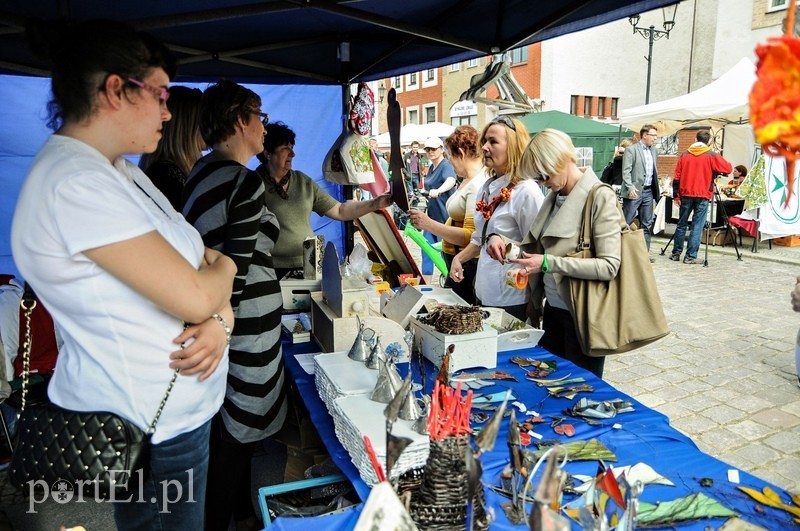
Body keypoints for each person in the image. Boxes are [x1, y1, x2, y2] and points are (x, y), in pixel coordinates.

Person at [10, 20, 236, 530]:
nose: (167, 109)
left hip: (176, 419)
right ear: (115, 90)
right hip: (145, 432)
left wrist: (220, 317)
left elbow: (203, 263)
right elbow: (203, 283)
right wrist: (222, 285)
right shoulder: (74, 182)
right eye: (159, 93)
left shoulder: (121, 171)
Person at [179, 80, 283, 531]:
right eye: (259, 116)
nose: (264, 126)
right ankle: (221, 521)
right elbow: (233, 269)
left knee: (228, 429)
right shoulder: (243, 180)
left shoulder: (198, 174)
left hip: (218, 320)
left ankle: (240, 513)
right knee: (240, 435)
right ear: (240, 120)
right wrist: (224, 324)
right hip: (243, 326)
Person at [510, 129, 622, 378]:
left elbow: (609, 266)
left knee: (580, 393)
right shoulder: (554, 195)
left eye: (543, 174)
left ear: (560, 160)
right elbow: (541, 248)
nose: (541, 181)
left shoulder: (599, 195)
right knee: (551, 386)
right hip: (553, 310)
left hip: (582, 315)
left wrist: (549, 263)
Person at [255, 121, 392, 279]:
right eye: (285, 149)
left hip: (308, 264)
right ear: (267, 153)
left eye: (292, 148)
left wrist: (376, 203)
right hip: (267, 268)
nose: (292, 154)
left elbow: (340, 211)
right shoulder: (253, 184)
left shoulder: (302, 181)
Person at [450, 116, 544, 321]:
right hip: (484, 292)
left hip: (513, 298)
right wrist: (459, 258)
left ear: (513, 146)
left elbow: (537, 248)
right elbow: (480, 238)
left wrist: (535, 304)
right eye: (484, 141)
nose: (484, 147)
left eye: (493, 142)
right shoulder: (486, 187)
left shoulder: (527, 191)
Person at [408, 126, 488, 303]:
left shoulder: (476, 185)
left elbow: (469, 237)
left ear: (461, 153)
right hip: (459, 261)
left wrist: (428, 224)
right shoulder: (468, 180)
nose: (449, 161)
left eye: (450, 155)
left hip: (468, 265)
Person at [669, 130, 733, 264]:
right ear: (708, 141)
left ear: (695, 138)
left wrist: (676, 196)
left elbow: (676, 177)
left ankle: (676, 253)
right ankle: (690, 256)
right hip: (703, 194)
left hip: (685, 193)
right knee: (697, 226)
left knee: (681, 224)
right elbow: (728, 168)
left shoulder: (685, 154)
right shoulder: (711, 154)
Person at [138, 85, 205, 209]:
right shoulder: (166, 176)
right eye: (204, 121)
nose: (210, 128)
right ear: (187, 126)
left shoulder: (173, 172)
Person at [417, 136, 457, 277]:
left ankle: (450, 280)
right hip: (432, 216)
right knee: (426, 249)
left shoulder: (446, 165)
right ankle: (426, 286)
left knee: (446, 252)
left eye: (433, 148)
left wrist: (439, 191)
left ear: (441, 149)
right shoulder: (432, 167)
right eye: (428, 149)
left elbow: (451, 180)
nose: (430, 152)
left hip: (444, 218)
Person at [621, 124, 660, 254]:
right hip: (634, 191)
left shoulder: (654, 150)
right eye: (653, 135)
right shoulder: (631, 150)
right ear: (644, 135)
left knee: (646, 224)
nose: (655, 138)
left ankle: (644, 255)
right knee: (626, 222)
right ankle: (622, 252)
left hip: (649, 191)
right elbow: (626, 171)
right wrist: (630, 187)